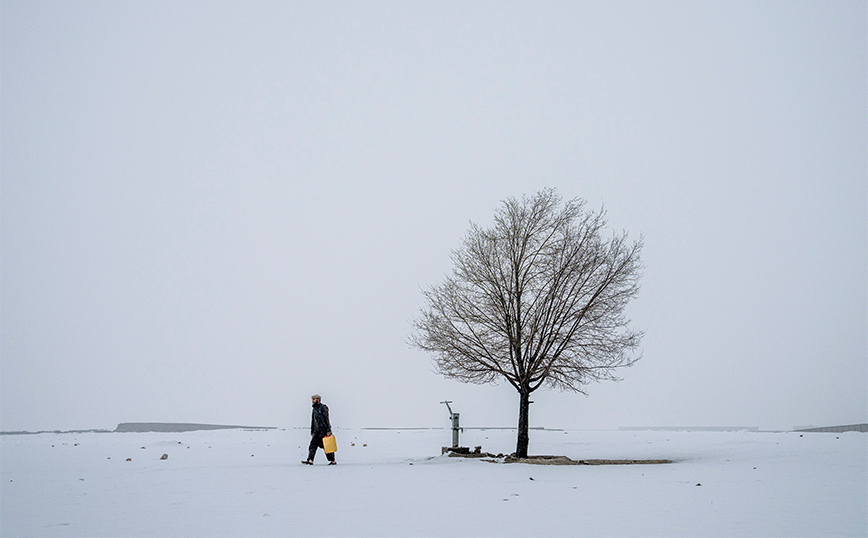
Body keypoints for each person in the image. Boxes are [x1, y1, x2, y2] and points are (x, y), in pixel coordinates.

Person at [302, 394, 336, 465]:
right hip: (316, 432)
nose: (312, 401)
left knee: (327, 446)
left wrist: (328, 430)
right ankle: (310, 460)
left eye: (314, 399)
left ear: (318, 399)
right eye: (312, 399)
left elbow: (327, 419)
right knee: (312, 445)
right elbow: (313, 420)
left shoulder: (323, 408)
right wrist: (312, 430)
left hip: (323, 431)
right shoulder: (314, 409)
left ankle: (333, 461)